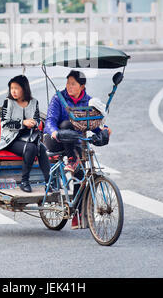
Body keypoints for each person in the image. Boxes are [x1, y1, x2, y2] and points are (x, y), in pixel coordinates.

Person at [43, 70, 110, 229]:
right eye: (68, 83)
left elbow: (91, 122)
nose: (69, 86)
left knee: (81, 174)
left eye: (73, 84)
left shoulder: (88, 101)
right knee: (67, 125)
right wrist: (53, 131)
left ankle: (78, 214)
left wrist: (104, 130)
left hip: (75, 143)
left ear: (82, 86)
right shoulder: (58, 98)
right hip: (55, 140)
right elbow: (50, 120)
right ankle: (72, 160)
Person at [0, 75, 51, 193]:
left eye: (16, 88)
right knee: (31, 148)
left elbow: (38, 119)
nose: (13, 91)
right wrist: (23, 123)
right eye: (11, 88)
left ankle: (49, 182)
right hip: (10, 140)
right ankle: (24, 181)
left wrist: (34, 122)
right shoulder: (8, 103)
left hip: (29, 137)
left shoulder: (34, 102)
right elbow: (4, 123)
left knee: (42, 149)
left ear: (24, 88)